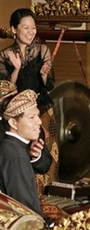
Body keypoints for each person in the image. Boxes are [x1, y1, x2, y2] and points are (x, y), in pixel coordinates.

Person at [0, 8, 58, 190]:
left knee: (45, 152)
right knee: (20, 152)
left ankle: (47, 193)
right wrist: (16, 69)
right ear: (14, 29)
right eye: (25, 27)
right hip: (17, 115)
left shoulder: (42, 50)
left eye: (33, 27)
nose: (31, 32)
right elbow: (5, 90)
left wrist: (44, 75)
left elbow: (50, 85)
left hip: (42, 109)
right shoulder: (4, 55)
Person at [0, 89, 51, 220]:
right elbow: (23, 205)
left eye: (38, 116)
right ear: (13, 123)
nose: (39, 122)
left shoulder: (15, 147)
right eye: (31, 117)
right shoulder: (13, 153)